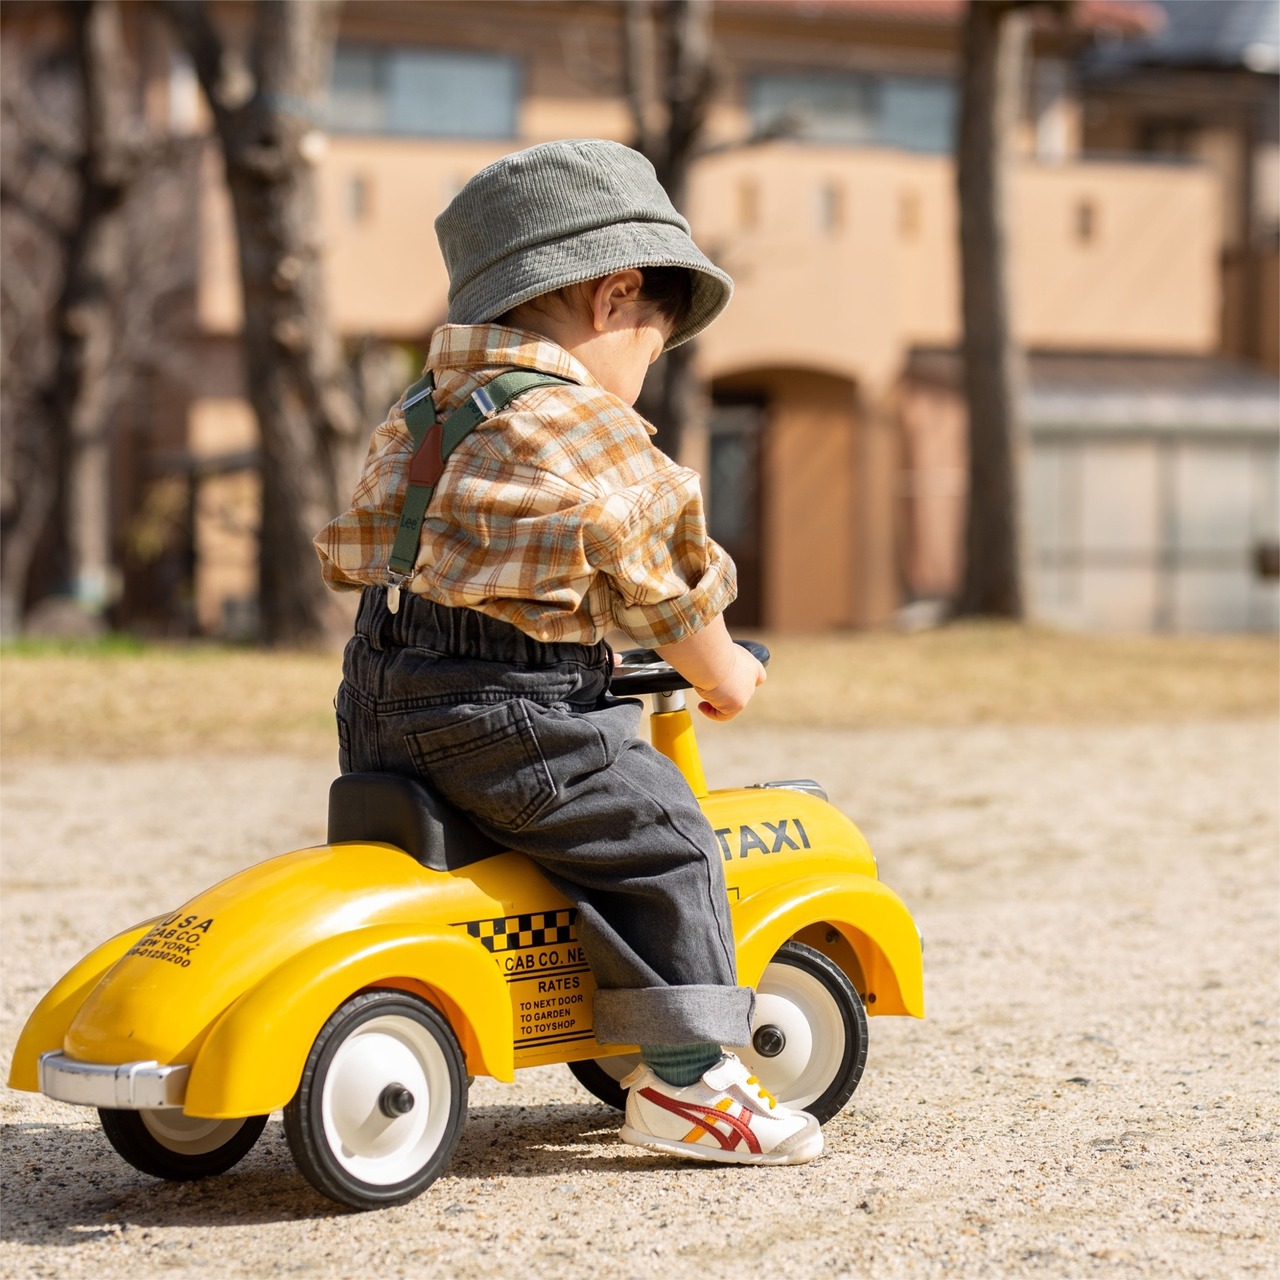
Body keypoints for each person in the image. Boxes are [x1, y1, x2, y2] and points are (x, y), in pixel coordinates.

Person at [314, 138, 821, 1166]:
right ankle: (686, 1080)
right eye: (650, 344)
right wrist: (723, 672)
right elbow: (665, 579)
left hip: (377, 694)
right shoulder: (582, 425)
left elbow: (406, 548)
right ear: (612, 296)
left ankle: (593, 1003)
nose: (642, 373)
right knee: (666, 840)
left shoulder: (420, 414)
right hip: (511, 707)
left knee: (545, 842)